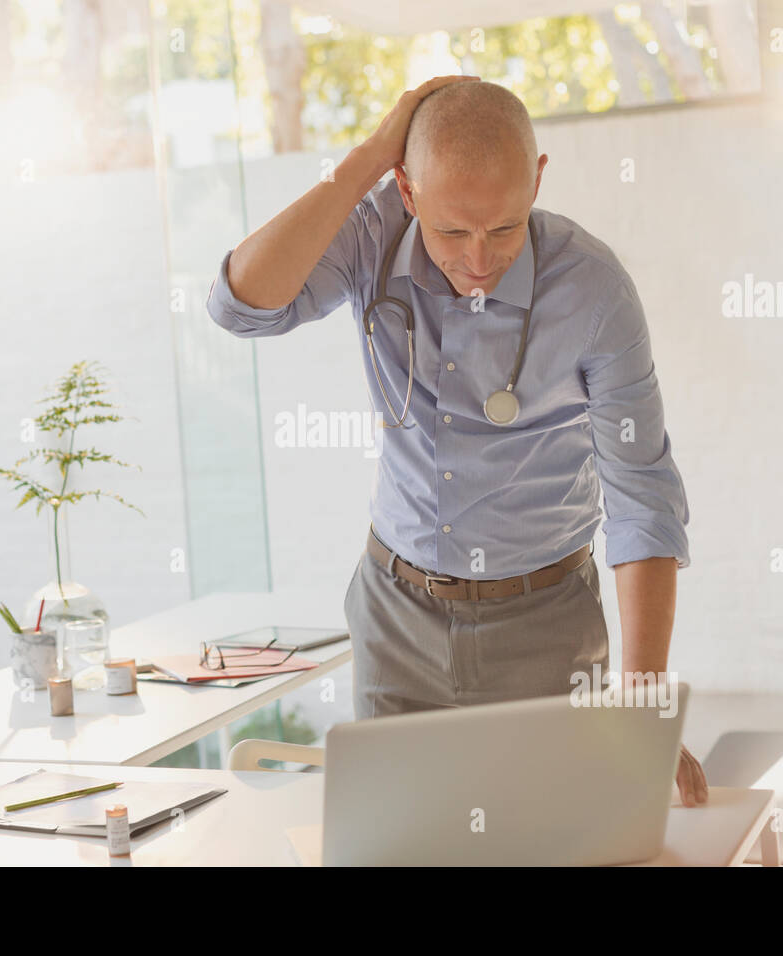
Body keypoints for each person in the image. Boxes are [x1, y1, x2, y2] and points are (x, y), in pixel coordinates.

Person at [206, 76, 708, 807]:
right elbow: (241, 307)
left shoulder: (595, 292)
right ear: (407, 192)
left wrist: (643, 700)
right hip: (396, 617)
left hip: (546, 628)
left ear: (536, 181)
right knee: (397, 845)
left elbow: (643, 503)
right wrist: (363, 164)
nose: (479, 258)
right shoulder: (372, 235)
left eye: (504, 228)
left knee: (554, 844)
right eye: (451, 231)